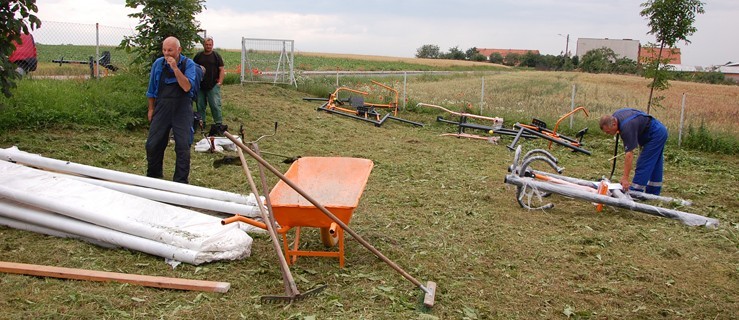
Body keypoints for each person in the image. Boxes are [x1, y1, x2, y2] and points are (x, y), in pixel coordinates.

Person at [145, 36, 198, 184]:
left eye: (170, 50)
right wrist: (151, 109)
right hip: (162, 107)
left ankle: (180, 183)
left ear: (179, 50)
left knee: (182, 146)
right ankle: (154, 178)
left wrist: (175, 68)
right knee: (153, 144)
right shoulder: (158, 64)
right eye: (164, 50)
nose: (167, 54)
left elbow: (187, 87)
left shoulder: (189, 65)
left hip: (182, 109)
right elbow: (151, 89)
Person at [599, 108, 668, 195]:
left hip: (655, 134)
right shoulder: (616, 117)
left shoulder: (626, 127)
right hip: (657, 130)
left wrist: (625, 177)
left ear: (614, 124)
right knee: (655, 162)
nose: (607, 134)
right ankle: (653, 192)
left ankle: (635, 192)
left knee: (644, 162)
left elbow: (629, 154)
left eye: (608, 131)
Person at [193, 36, 225, 131]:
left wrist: (220, 82)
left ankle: (218, 124)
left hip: (213, 85)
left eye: (210, 45)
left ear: (212, 45)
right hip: (200, 86)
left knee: (215, 104)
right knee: (200, 105)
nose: (208, 46)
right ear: (204, 45)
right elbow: (193, 68)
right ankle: (201, 122)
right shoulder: (198, 56)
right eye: (206, 44)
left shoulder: (216, 56)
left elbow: (221, 69)